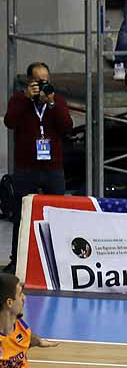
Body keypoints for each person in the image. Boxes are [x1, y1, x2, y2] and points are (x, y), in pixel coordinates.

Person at [3, 62, 72, 270]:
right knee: (22, 216)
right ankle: (17, 260)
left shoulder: (57, 101)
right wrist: (26, 99)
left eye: (47, 81)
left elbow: (67, 127)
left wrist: (51, 104)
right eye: (40, 81)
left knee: (57, 213)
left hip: (53, 168)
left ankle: (58, 261)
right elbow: (10, 122)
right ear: (30, 82)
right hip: (27, 168)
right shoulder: (19, 101)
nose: (44, 85)